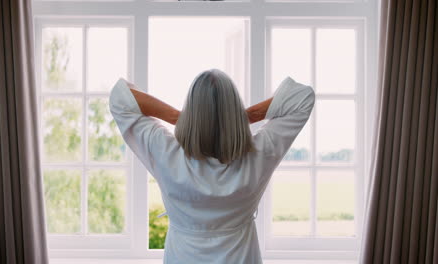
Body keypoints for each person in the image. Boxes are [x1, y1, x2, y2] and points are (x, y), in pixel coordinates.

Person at [109, 69, 315, 264]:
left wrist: (185, 120)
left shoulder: (166, 154)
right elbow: (302, 97)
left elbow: (120, 98)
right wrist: (235, 119)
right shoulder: (258, 155)